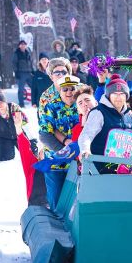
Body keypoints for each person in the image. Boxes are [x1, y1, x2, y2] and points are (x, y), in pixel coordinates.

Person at [78, 74, 132, 174]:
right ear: (109, 95)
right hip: (100, 169)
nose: (118, 97)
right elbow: (86, 134)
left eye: (122, 94)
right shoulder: (99, 112)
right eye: (115, 94)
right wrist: (85, 150)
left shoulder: (129, 114)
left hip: (124, 168)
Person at [38, 58, 80, 210]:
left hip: (77, 157)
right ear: (51, 75)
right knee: (56, 198)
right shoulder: (47, 98)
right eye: (57, 72)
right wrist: (64, 147)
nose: (61, 75)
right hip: (56, 155)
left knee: (75, 200)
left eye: (64, 71)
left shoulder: (79, 94)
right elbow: (46, 130)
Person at [0, 91, 28, 162]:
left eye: (1, 102)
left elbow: (26, 124)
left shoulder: (14, 108)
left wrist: (33, 141)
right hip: (4, 138)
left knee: (28, 155)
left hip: (19, 135)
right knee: (6, 158)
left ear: (5, 102)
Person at [12, 40, 34, 107]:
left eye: (24, 44)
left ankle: (34, 103)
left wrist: (33, 71)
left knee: (34, 87)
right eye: (21, 44)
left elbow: (30, 63)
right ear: (19, 46)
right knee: (21, 90)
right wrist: (16, 72)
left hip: (29, 73)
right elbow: (14, 63)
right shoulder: (16, 53)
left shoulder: (28, 52)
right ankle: (21, 104)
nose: (23, 46)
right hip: (21, 73)